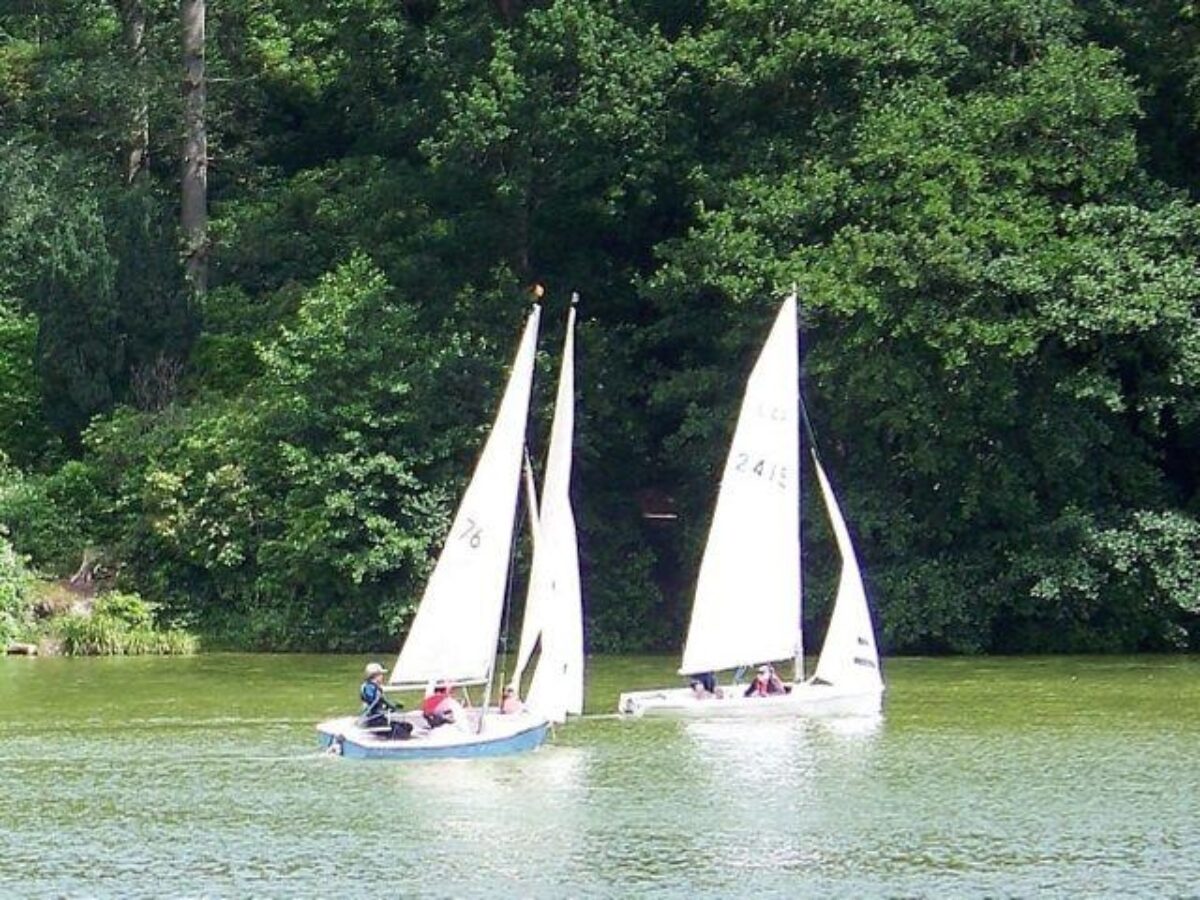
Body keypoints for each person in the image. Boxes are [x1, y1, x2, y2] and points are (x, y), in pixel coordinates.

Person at [360, 662, 411, 739]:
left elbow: (382, 701)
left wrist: (393, 706)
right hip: (373, 719)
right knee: (401, 733)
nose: (382, 677)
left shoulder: (373, 687)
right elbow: (377, 701)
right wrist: (391, 706)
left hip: (378, 718)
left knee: (408, 726)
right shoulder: (369, 688)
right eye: (380, 675)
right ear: (374, 676)